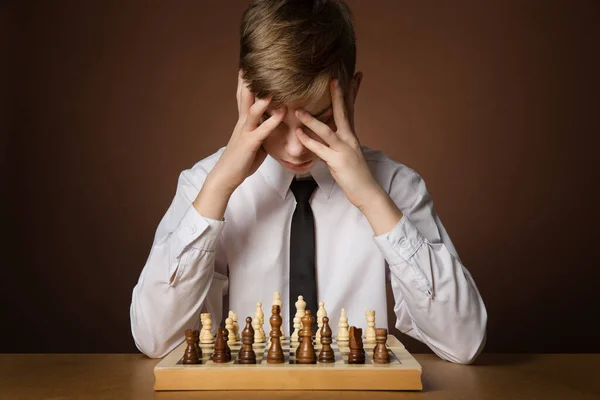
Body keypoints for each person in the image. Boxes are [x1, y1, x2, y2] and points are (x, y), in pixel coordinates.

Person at [130, 0, 487, 364]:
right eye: (273, 120)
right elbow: (155, 339)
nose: (296, 148)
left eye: (319, 120)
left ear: (352, 93)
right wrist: (219, 188)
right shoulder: (204, 186)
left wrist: (372, 199)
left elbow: (464, 341)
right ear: (245, 92)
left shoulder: (397, 186)